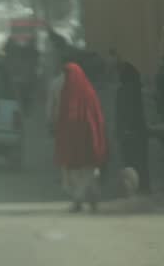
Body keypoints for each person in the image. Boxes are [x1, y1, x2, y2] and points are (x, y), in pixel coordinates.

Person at [54, 62, 108, 213]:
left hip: (84, 141)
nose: (67, 78)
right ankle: (83, 200)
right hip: (78, 142)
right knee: (80, 173)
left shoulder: (83, 92)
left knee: (85, 172)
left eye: (68, 75)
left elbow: (94, 119)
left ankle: (84, 201)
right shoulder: (85, 91)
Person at [115, 61, 150, 194]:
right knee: (141, 162)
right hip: (138, 132)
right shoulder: (136, 89)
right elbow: (137, 112)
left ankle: (132, 189)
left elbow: (121, 113)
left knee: (129, 162)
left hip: (127, 133)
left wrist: (120, 131)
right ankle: (143, 187)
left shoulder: (122, 91)